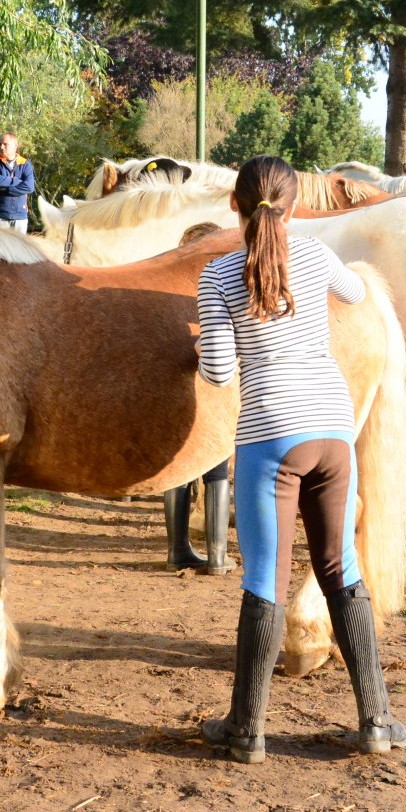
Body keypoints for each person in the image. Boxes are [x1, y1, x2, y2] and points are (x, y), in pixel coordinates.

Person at [197, 155, 406, 764]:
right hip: (334, 431)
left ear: (233, 207)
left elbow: (216, 371)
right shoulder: (314, 256)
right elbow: (358, 290)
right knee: (342, 569)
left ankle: (247, 730)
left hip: (271, 437)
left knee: (264, 578)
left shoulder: (217, 278)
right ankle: (376, 720)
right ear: (293, 208)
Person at [164, 222, 236, 576]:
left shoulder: (163, 296)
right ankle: (218, 555)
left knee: (179, 467)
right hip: (215, 390)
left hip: (174, 394)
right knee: (217, 468)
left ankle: (178, 550)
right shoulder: (220, 291)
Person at [0, 131, 35, 232]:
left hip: (20, 217)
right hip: (1, 215)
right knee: (0, 247)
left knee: (20, 247)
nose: (1, 147)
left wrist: (7, 190)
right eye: (0, 144)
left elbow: (29, 187)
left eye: (5, 144)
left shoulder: (25, 164)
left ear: (15, 146)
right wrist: (17, 181)